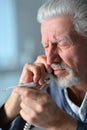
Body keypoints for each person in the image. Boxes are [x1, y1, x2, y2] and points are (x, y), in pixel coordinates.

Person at [0, 0, 87, 129]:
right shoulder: (46, 88)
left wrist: (62, 123)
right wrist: (18, 97)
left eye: (61, 43)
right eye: (46, 46)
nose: (50, 60)